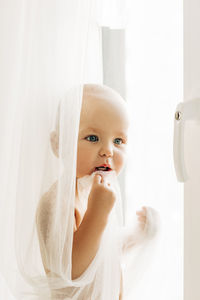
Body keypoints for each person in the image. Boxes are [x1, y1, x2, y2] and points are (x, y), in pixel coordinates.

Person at [36, 84, 159, 299]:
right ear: (58, 144)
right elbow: (71, 271)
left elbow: (102, 254)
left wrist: (138, 234)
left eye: (118, 141)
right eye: (93, 138)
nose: (108, 151)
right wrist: (98, 212)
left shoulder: (91, 192)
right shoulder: (57, 202)